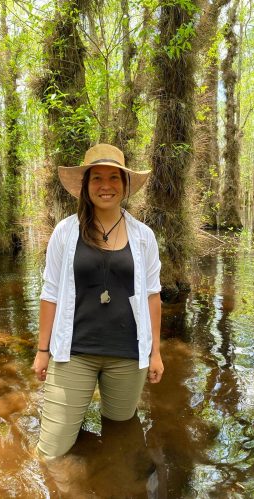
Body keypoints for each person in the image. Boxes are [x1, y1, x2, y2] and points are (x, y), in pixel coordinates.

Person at [33, 143, 164, 459]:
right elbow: (50, 293)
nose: (106, 186)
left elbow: (152, 295)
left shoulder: (143, 236)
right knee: (51, 452)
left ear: (125, 184)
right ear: (85, 186)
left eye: (114, 178)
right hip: (73, 352)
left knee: (121, 434)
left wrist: (155, 352)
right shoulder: (65, 232)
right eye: (97, 179)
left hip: (127, 354)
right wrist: (42, 351)